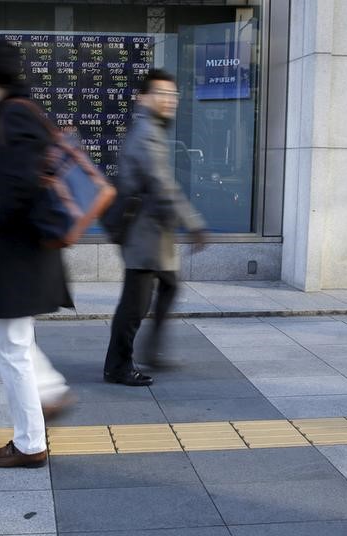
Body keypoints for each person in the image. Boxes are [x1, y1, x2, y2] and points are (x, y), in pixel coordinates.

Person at [0, 41, 75, 468]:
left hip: (15, 255)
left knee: (12, 348)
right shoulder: (19, 111)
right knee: (11, 343)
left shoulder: (15, 114)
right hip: (21, 253)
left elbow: (18, 188)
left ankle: (30, 442)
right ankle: (44, 404)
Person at [103, 69, 206, 387]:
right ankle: (118, 366)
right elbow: (161, 185)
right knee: (134, 305)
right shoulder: (147, 132)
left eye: (172, 95)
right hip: (143, 234)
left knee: (170, 285)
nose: (168, 100)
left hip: (152, 232)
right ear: (143, 98)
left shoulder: (152, 128)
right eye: (160, 93)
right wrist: (193, 223)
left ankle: (151, 349)